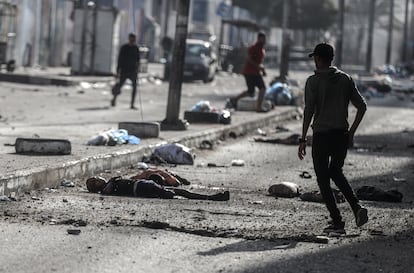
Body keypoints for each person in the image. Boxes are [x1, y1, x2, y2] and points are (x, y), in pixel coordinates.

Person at [298, 43, 368, 234]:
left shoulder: (312, 82)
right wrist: (351, 133)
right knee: (336, 172)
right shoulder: (346, 79)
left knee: (323, 179)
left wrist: (303, 139)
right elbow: (362, 106)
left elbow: (309, 110)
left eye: (315, 58)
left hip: (321, 136)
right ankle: (356, 207)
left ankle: (337, 221)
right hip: (341, 136)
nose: (314, 61)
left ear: (319, 59)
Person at [86, 175, 230, 201]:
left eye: (96, 177)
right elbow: (108, 190)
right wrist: (111, 181)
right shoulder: (106, 189)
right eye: (94, 181)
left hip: (144, 185)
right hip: (143, 189)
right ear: (95, 188)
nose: (98, 179)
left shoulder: (110, 184)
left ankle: (213, 197)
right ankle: (213, 198)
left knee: (182, 192)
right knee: (176, 193)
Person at [230, 32, 267, 112]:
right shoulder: (253, 48)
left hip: (255, 72)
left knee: (252, 91)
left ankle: (235, 100)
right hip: (250, 72)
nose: (264, 40)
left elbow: (260, 62)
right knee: (260, 89)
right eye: (263, 39)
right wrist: (257, 66)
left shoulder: (262, 50)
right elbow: (249, 59)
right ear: (259, 39)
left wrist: (262, 70)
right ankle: (258, 107)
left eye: (264, 39)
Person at [111, 33, 140, 109]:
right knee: (119, 86)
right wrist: (118, 72)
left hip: (132, 71)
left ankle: (132, 104)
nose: (132, 41)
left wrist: (137, 71)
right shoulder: (124, 48)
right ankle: (114, 99)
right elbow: (120, 60)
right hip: (124, 71)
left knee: (134, 87)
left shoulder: (136, 48)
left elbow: (138, 60)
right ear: (129, 39)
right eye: (131, 39)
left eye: (133, 39)